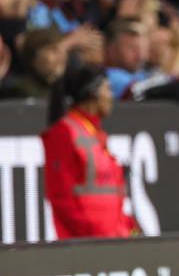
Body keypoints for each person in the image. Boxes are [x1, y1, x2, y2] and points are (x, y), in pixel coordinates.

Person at [40, 64, 137, 239]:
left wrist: (128, 228)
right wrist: (91, 239)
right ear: (93, 92)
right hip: (86, 244)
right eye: (107, 89)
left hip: (112, 241)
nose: (111, 96)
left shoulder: (95, 134)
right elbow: (60, 197)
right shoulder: (63, 133)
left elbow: (113, 194)